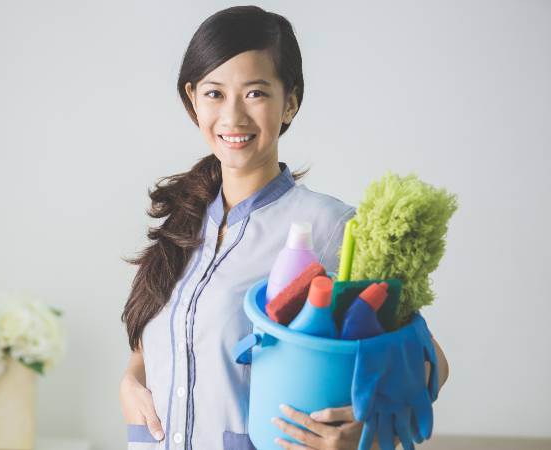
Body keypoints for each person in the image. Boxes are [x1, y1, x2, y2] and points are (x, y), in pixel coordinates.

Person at [119, 6, 449, 450]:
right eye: (215, 93)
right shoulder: (184, 219)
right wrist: (131, 380)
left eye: (255, 93)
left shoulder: (332, 229)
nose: (232, 117)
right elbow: (167, 337)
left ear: (289, 100)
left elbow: (429, 359)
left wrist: (364, 432)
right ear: (193, 98)